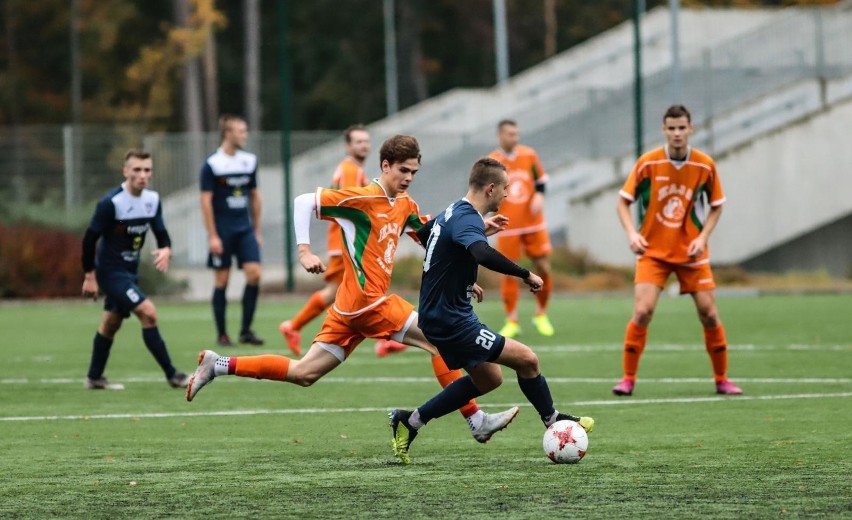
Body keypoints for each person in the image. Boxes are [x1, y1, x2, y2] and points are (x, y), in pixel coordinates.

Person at [187, 135, 519, 445]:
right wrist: (304, 251)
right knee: (438, 339)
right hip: (368, 302)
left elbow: (434, 240)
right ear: (385, 166)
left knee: (305, 372)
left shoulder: (404, 205)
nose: (408, 177)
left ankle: (218, 364)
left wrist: (471, 253)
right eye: (403, 170)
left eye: (414, 172)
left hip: (349, 308)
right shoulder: (361, 199)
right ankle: (476, 420)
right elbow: (304, 202)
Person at [388, 157, 594, 464]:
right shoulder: (466, 218)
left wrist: (466, 281)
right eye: (506, 189)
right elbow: (481, 252)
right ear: (491, 188)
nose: (508, 195)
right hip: (450, 320)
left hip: (444, 312)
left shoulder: (453, 211)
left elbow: (431, 238)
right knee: (527, 360)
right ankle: (552, 420)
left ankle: (411, 421)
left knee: (489, 379)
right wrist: (525, 274)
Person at [612, 105, 742, 396]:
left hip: (692, 253)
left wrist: (703, 237)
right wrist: (632, 233)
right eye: (671, 128)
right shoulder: (648, 163)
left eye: (682, 127)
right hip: (653, 252)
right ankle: (627, 379)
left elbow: (717, 205)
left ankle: (722, 379)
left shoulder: (704, 165)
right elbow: (623, 201)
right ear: (664, 130)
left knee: (709, 313)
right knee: (643, 311)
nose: (677, 133)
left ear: (690, 128)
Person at [279, 124, 408, 358]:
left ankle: (295, 326)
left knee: (342, 292)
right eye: (358, 141)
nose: (364, 145)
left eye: (366, 141)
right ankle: (295, 326)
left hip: (345, 240)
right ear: (348, 146)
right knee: (354, 292)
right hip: (346, 242)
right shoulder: (350, 170)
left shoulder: (354, 169)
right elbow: (350, 206)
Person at [81, 149, 189, 390]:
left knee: (111, 323)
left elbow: (161, 233)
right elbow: (90, 239)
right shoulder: (112, 203)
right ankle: (173, 375)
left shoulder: (152, 200)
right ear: (126, 171)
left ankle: (94, 377)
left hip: (130, 274)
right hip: (110, 273)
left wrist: (166, 249)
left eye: (147, 170)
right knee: (148, 312)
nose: (142, 175)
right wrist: (89, 275)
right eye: (137, 170)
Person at [200, 114, 264, 347]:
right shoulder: (212, 165)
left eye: (245, 130)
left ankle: (246, 330)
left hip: (244, 229)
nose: (244, 135)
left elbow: (255, 196)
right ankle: (222, 334)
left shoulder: (249, 161)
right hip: (223, 231)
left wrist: (257, 230)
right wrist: (213, 235)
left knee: (254, 273)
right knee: (222, 280)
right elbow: (205, 201)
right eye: (240, 131)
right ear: (227, 134)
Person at [487, 119, 555, 338]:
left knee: (543, 267)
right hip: (507, 225)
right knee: (508, 272)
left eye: (516, 134)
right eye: (510, 134)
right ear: (500, 136)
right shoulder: (492, 161)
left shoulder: (529, 155)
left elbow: (541, 181)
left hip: (533, 222)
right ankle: (512, 320)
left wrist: (538, 195)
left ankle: (541, 314)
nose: (514, 138)